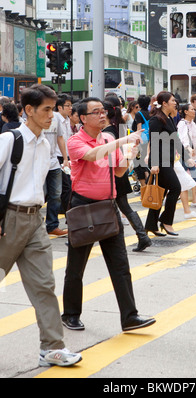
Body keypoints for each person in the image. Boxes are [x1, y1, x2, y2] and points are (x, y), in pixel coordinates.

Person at [0, 84, 82, 367]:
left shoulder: (46, 143)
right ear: (28, 111)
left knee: (44, 285)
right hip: (7, 221)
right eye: (46, 110)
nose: (52, 115)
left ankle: (53, 347)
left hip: (35, 221)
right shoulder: (11, 140)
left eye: (53, 108)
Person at [61, 97, 156, 331]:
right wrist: (125, 140)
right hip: (83, 206)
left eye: (103, 111)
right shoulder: (76, 141)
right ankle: (70, 314)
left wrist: (130, 154)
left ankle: (129, 316)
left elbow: (120, 171)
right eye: (96, 112)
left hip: (108, 205)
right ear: (83, 118)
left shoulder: (109, 138)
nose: (102, 115)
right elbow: (94, 155)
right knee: (76, 266)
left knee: (120, 265)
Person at [103, 96, 152, 252]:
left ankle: (141, 236)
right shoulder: (119, 127)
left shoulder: (107, 132)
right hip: (120, 171)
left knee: (116, 207)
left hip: (113, 173)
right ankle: (142, 236)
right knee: (123, 207)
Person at [144, 91, 183, 237]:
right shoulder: (156, 120)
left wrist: (186, 155)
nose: (175, 102)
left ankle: (150, 225)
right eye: (173, 100)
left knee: (160, 193)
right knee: (175, 188)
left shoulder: (169, 119)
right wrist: (154, 164)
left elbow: (176, 140)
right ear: (164, 103)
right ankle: (166, 221)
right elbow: (153, 142)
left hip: (169, 160)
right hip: (160, 162)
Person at [44, 111, 69, 237]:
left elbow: (60, 137)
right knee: (40, 195)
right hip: (39, 163)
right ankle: (35, 226)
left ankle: (52, 225)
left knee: (56, 194)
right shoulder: (35, 116)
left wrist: (65, 158)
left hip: (54, 162)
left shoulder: (56, 118)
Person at [177, 103, 196, 209]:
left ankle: (195, 201)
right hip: (184, 155)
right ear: (186, 112)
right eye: (192, 109)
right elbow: (182, 139)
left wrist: (195, 152)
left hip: (194, 155)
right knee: (179, 179)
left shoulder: (193, 124)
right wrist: (188, 148)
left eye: (194, 109)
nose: (194, 111)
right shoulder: (182, 124)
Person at [55, 94, 73, 214]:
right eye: (68, 105)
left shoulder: (67, 120)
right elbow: (59, 139)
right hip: (57, 157)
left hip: (66, 157)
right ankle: (65, 212)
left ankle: (64, 210)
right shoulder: (55, 119)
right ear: (60, 107)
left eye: (71, 105)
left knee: (68, 186)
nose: (71, 108)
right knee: (66, 187)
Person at [132, 95, 151, 188]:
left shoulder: (139, 114)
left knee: (138, 164)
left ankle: (145, 187)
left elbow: (139, 129)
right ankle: (149, 185)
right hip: (149, 140)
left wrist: (137, 143)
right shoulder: (151, 113)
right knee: (144, 163)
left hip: (142, 141)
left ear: (138, 104)